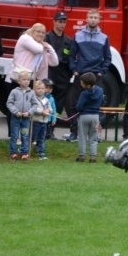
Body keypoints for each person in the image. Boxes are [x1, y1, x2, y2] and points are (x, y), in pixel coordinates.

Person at [67, 9, 111, 142]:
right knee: (75, 104)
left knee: (96, 105)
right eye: (91, 17)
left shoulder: (104, 38)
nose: (93, 20)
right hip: (81, 74)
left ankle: (95, 134)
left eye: (95, 18)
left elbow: (108, 58)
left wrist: (101, 71)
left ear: (99, 20)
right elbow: (71, 55)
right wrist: (74, 69)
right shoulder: (78, 35)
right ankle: (74, 132)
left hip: (96, 76)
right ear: (86, 18)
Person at [44, 11, 73, 140]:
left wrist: (69, 73)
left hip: (63, 73)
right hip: (50, 71)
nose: (62, 24)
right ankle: (43, 130)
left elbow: (70, 57)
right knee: (45, 100)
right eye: (60, 21)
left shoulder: (68, 40)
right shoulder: (47, 37)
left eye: (64, 22)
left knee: (58, 103)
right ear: (54, 22)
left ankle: (51, 129)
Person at [6, 71, 37, 161]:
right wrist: (16, 112)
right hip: (15, 118)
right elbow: (9, 103)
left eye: (28, 79)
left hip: (26, 119)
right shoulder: (14, 92)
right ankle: (13, 152)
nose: (26, 81)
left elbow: (35, 104)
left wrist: (29, 112)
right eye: (24, 79)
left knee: (25, 135)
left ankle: (24, 153)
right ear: (19, 81)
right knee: (14, 135)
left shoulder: (31, 92)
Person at [75, 72, 103, 162]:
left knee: (82, 137)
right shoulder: (100, 91)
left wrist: (80, 109)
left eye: (82, 83)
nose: (80, 84)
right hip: (95, 117)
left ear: (87, 85)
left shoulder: (84, 94)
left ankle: (81, 156)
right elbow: (102, 101)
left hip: (84, 116)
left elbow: (79, 107)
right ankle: (93, 156)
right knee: (93, 137)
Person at [31, 79, 53, 160]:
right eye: (38, 88)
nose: (41, 90)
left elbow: (50, 109)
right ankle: (25, 149)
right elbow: (34, 108)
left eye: (42, 88)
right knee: (32, 137)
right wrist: (41, 112)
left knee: (42, 138)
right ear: (34, 90)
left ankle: (41, 152)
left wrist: (48, 110)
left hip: (44, 122)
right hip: (36, 122)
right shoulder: (34, 99)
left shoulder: (46, 100)